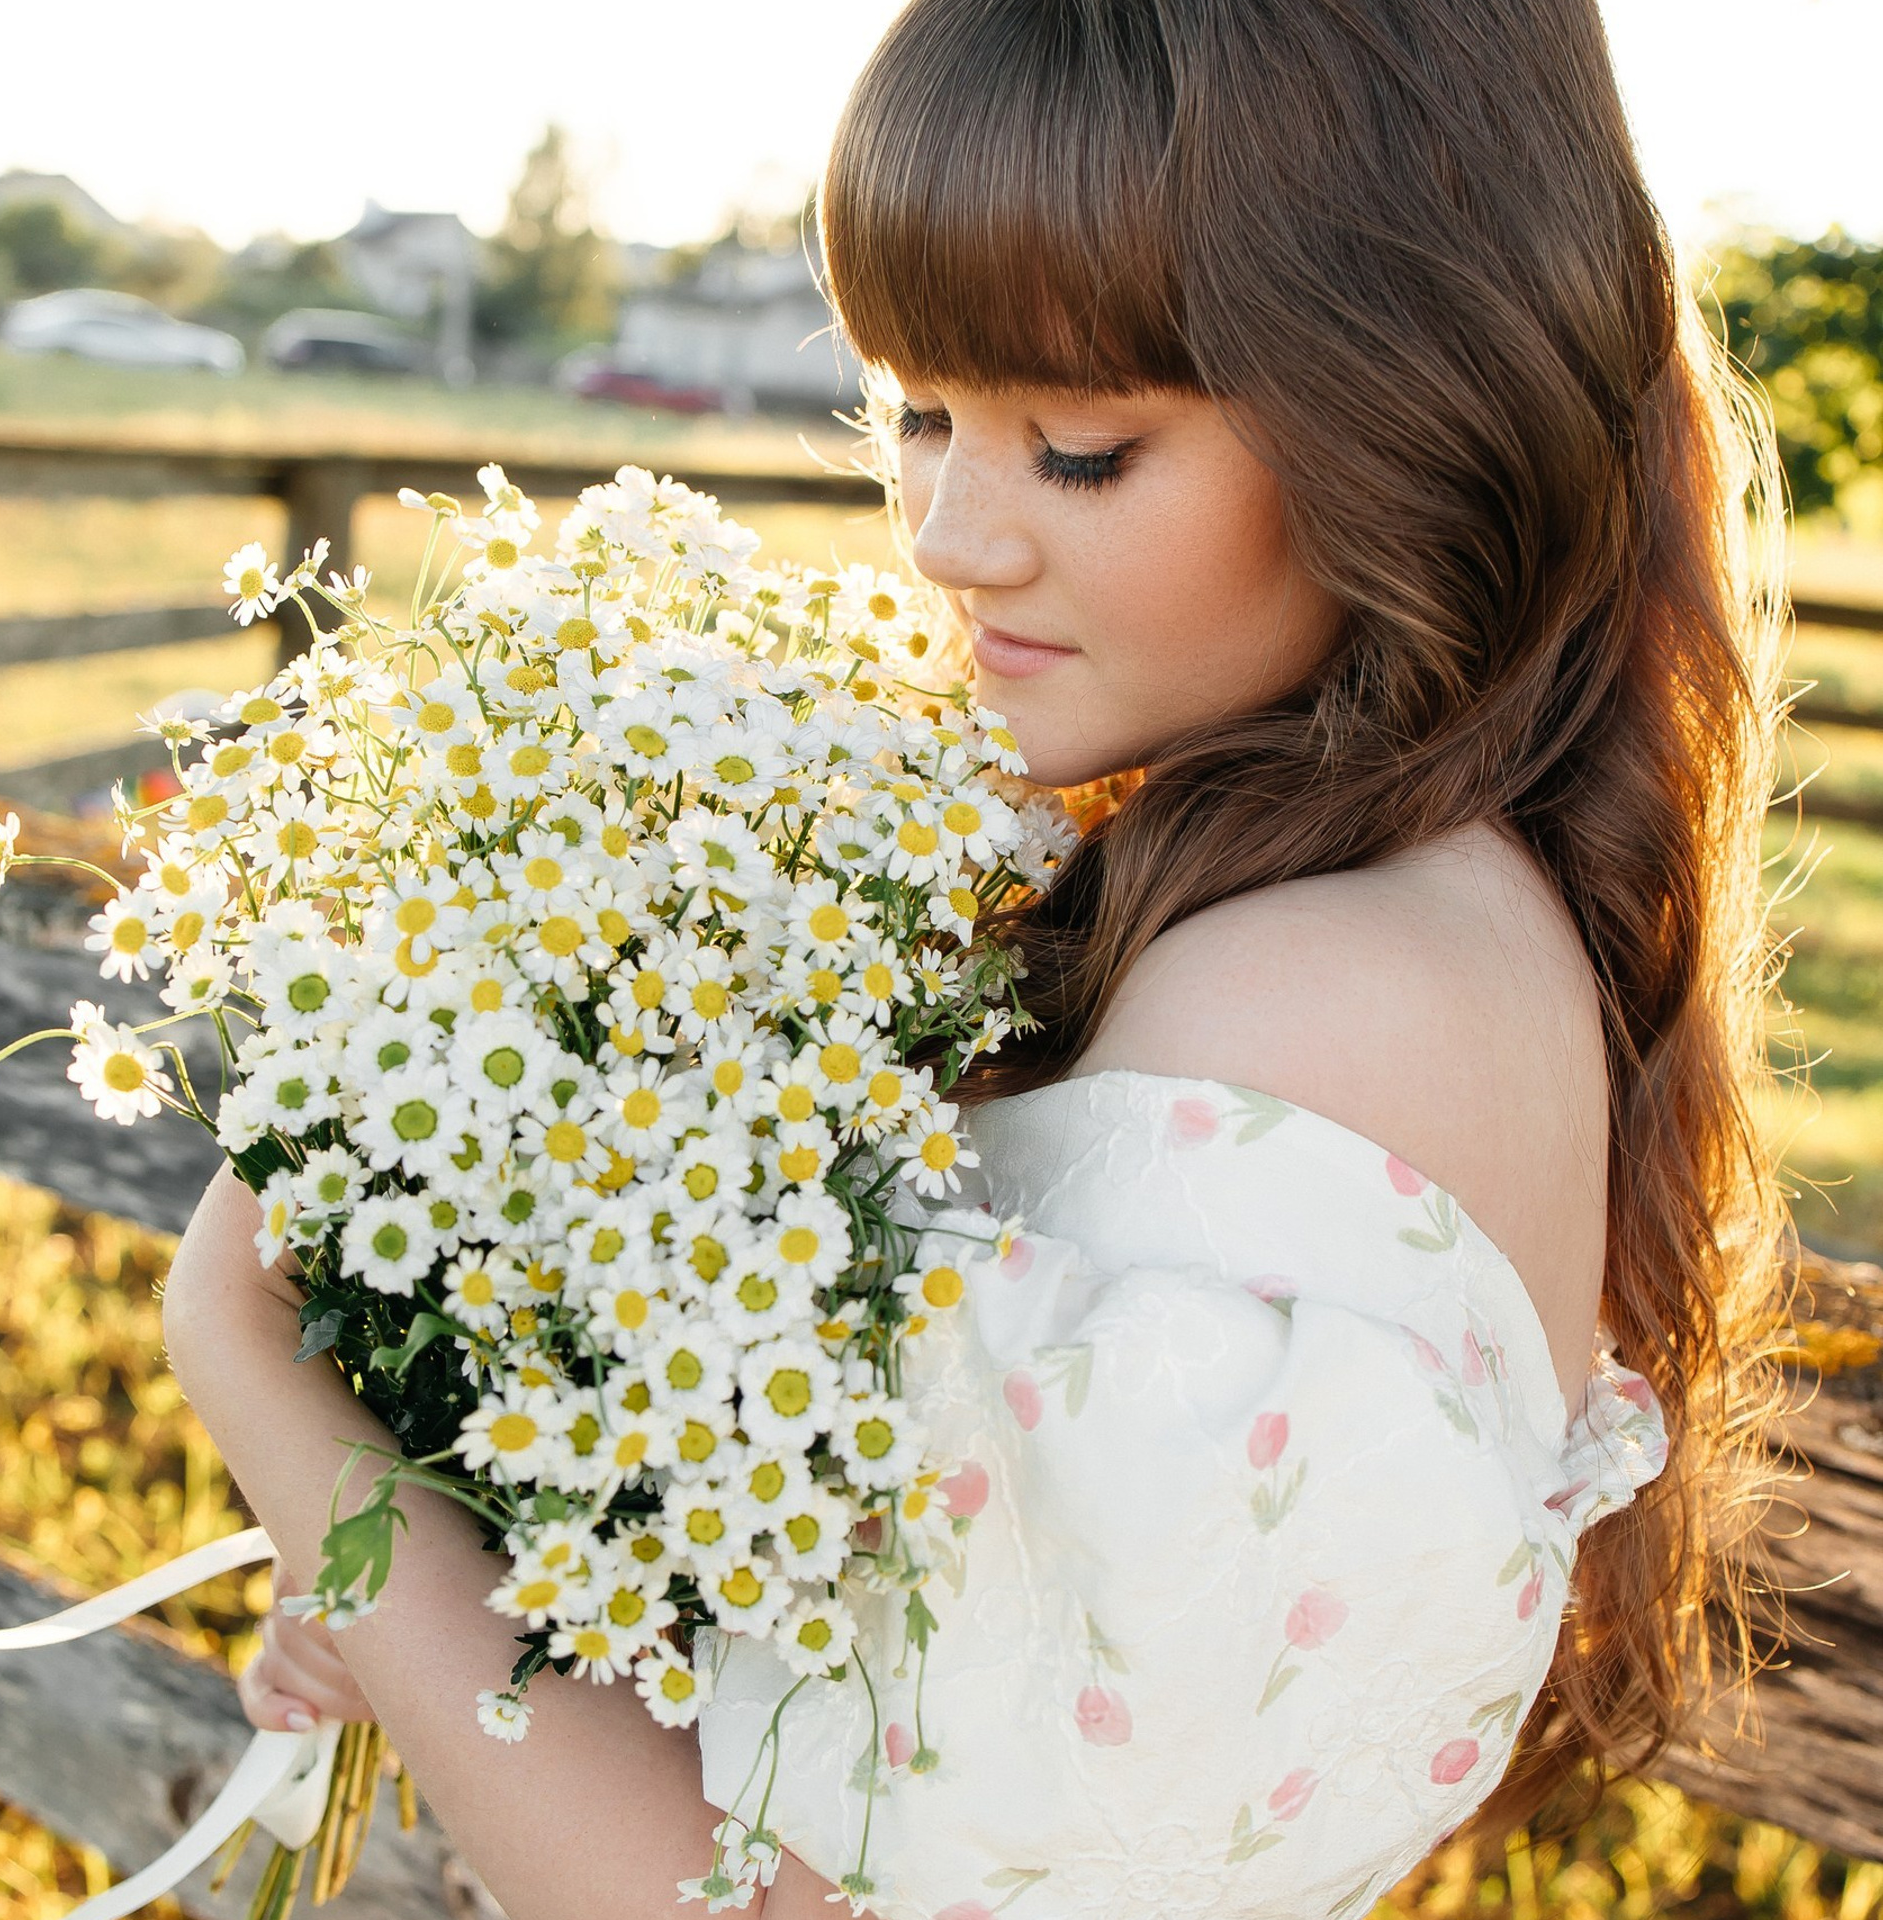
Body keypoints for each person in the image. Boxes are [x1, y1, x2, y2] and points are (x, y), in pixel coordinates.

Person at [171, 1, 1800, 1915]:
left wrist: (259, 1356)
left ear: (1423, 418)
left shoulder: (1311, 1001)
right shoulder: (1299, 893)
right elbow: (884, 1721)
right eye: (921, 415)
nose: (947, 538)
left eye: (1085, 451)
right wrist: (424, 1580)